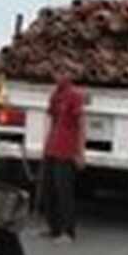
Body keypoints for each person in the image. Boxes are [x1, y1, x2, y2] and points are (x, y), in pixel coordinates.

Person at [42, 69, 86, 243]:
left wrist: (80, 152)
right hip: (52, 147)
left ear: (70, 75)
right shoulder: (55, 95)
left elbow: (81, 123)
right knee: (49, 189)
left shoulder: (75, 95)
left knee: (63, 191)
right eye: (57, 72)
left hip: (67, 150)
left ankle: (68, 232)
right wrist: (46, 144)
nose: (59, 76)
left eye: (64, 73)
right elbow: (51, 118)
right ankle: (54, 228)